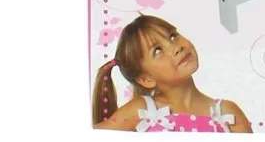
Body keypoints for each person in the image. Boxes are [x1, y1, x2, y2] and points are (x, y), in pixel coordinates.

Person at [91, 14, 252, 133]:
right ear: (146, 79)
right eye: (157, 50)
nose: (176, 47)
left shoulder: (228, 113)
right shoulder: (141, 111)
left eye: (173, 36)